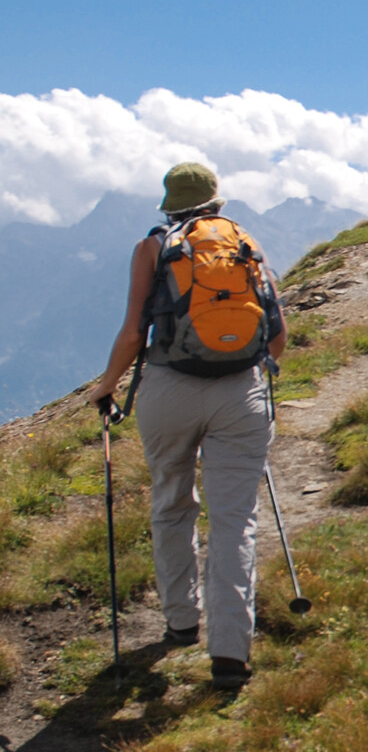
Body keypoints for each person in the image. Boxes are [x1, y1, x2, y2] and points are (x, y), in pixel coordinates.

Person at [87, 162, 286, 691]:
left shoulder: (153, 247)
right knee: (234, 521)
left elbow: (134, 332)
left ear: (169, 203)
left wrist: (106, 387)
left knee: (172, 501)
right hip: (240, 391)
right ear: (217, 201)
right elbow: (277, 331)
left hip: (169, 389)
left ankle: (180, 622)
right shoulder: (246, 243)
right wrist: (260, 379)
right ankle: (230, 656)